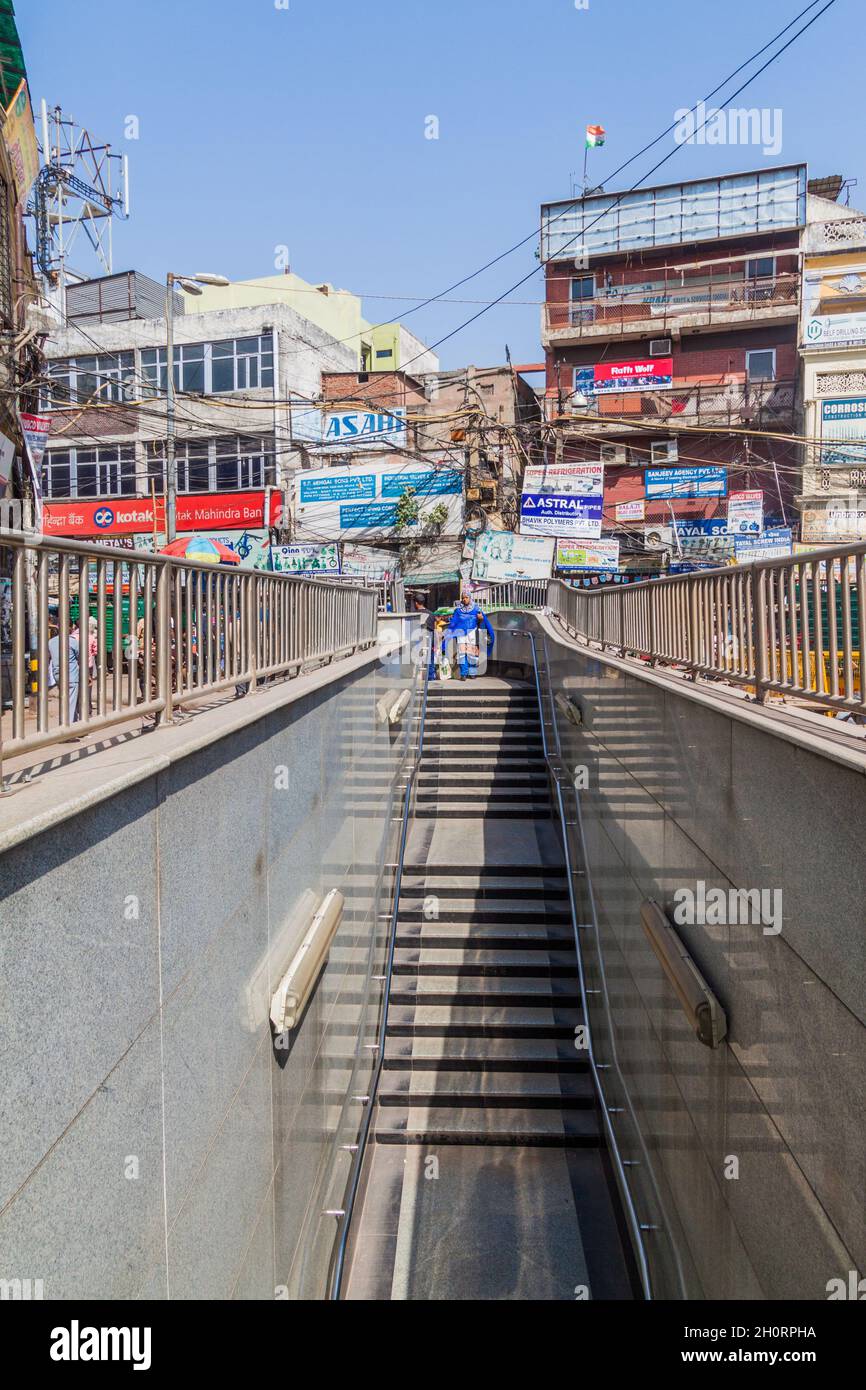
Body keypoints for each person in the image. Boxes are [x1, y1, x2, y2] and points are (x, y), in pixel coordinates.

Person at [443, 589, 495, 682]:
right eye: (463, 598)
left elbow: (482, 622)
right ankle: (463, 674)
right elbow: (453, 623)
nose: (464, 599)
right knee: (462, 653)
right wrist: (448, 633)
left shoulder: (476, 609)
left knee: (472, 653)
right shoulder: (458, 610)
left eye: (466, 597)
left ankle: (472, 673)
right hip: (461, 633)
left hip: (471, 632)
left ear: (470, 598)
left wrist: (481, 618)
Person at [412, 592, 438, 682]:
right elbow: (434, 629)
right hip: (429, 639)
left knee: (416, 658)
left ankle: (417, 677)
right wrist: (435, 643)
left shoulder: (413, 615)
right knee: (429, 659)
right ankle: (430, 677)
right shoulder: (431, 614)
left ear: (416, 603)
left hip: (417, 640)